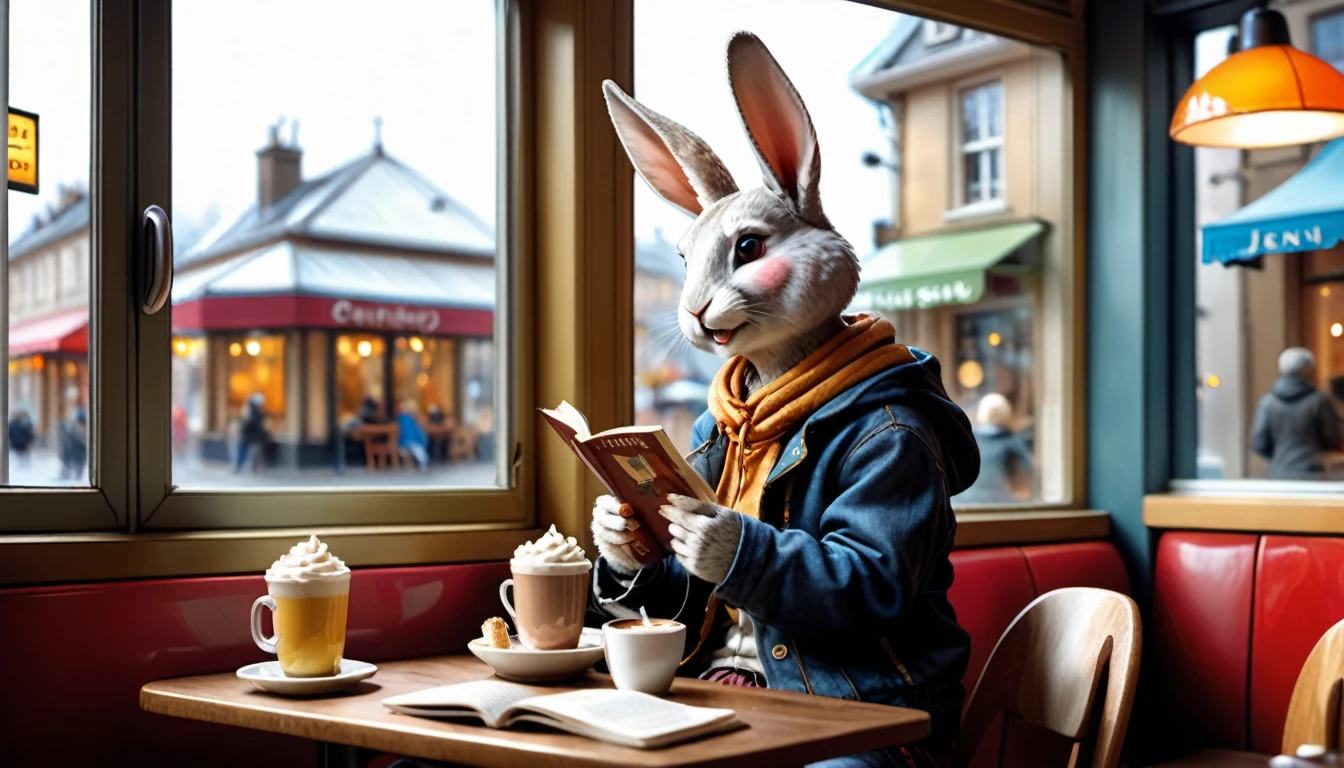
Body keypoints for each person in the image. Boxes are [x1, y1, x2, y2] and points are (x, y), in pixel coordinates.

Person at [589, 34, 977, 767]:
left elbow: (875, 591)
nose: (700, 304)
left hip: (858, 715)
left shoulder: (888, 428)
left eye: (743, 253)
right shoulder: (721, 424)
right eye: (692, 266)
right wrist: (634, 557)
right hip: (717, 698)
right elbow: (685, 597)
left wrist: (742, 552)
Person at [1252, 347, 1343, 479]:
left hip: (1280, 472)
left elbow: (1259, 444)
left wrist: (1281, 457)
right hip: (1313, 472)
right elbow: (1333, 437)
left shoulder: (1267, 402)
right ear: (1306, 370)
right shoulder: (1319, 401)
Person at [961, 393, 1034, 503]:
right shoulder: (1012, 442)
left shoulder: (969, 439)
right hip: (1000, 501)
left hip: (966, 501)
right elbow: (1026, 471)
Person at [233, 393, 269, 473]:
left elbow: (250, 423)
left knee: (244, 451)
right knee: (249, 452)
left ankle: (240, 466)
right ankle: (244, 467)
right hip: (253, 436)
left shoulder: (252, 412)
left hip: (250, 436)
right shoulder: (254, 412)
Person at [397, 398, 429, 470]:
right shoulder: (405, 418)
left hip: (412, 440)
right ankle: (423, 463)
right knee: (417, 447)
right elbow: (409, 433)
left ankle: (423, 463)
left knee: (418, 447)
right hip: (408, 441)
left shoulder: (412, 418)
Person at [58, 404, 88, 481]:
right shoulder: (70, 436)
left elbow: (84, 455)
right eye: (79, 424)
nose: (81, 427)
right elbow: (65, 452)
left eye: (82, 424)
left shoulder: (85, 438)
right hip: (69, 465)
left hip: (78, 465)